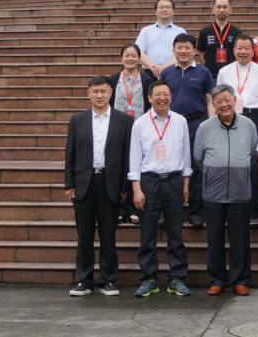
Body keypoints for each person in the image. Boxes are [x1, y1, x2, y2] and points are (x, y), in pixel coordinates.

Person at [65, 75, 133, 297]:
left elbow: (127, 155)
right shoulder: (78, 120)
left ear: (111, 93)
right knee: (84, 235)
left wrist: (125, 186)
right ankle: (84, 280)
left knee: (108, 235)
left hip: (110, 183)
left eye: (103, 91)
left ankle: (108, 279)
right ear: (89, 94)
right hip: (84, 184)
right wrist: (69, 183)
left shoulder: (124, 121)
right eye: (95, 92)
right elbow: (70, 153)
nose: (100, 95)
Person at [192, 85, 258, 296]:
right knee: (215, 239)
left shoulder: (249, 125)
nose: (224, 104)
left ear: (235, 100)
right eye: (218, 101)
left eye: (227, 100)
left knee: (240, 239)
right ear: (213, 104)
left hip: (240, 191)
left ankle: (240, 280)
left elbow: (253, 154)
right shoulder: (205, 127)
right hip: (213, 192)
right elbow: (198, 157)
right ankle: (216, 279)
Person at [129, 79, 192, 298]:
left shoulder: (180, 121)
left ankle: (177, 278)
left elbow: (185, 154)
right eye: (157, 94)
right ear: (149, 98)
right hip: (149, 181)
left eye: (166, 94)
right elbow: (134, 157)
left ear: (171, 97)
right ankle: (149, 279)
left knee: (176, 232)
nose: (162, 98)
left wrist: (186, 183)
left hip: (174, 181)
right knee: (147, 233)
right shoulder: (140, 124)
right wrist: (136, 189)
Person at [159, 33, 215, 228]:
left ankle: (196, 211)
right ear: (174, 50)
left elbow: (210, 100)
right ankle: (167, 211)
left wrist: (211, 123)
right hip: (170, 124)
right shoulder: (167, 73)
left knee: (197, 166)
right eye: (179, 47)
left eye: (187, 47)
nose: (183, 51)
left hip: (196, 123)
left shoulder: (204, 72)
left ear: (194, 51)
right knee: (169, 166)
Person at [216, 34, 258, 225]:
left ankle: (253, 212)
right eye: (239, 48)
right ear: (233, 50)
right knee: (230, 161)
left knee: (253, 163)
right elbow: (220, 96)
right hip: (229, 116)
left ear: (253, 51)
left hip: (253, 116)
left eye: (247, 48)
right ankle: (228, 209)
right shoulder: (224, 71)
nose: (243, 52)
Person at [107, 44, 154, 224]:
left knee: (136, 166)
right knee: (119, 166)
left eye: (134, 55)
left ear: (139, 58)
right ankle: (120, 208)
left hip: (140, 128)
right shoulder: (112, 80)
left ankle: (135, 208)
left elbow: (150, 105)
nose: (130, 58)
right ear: (121, 58)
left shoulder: (146, 80)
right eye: (127, 55)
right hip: (118, 128)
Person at [135, 0, 186, 77]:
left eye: (168, 7)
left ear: (173, 11)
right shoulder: (146, 31)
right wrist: (152, 67)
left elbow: (183, 53)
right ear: (155, 11)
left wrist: (163, 67)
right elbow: (138, 51)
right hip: (149, 72)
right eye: (161, 7)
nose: (165, 10)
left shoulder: (180, 31)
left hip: (174, 71)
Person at [196, 0, 243, 78]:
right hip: (211, 76)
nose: (222, 10)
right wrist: (207, 69)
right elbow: (200, 52)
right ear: (213, 10)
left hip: (231, 75)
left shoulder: (237, 32)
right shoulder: (205, 31)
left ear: (230, 10)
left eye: (225, 7)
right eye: (218, 7)